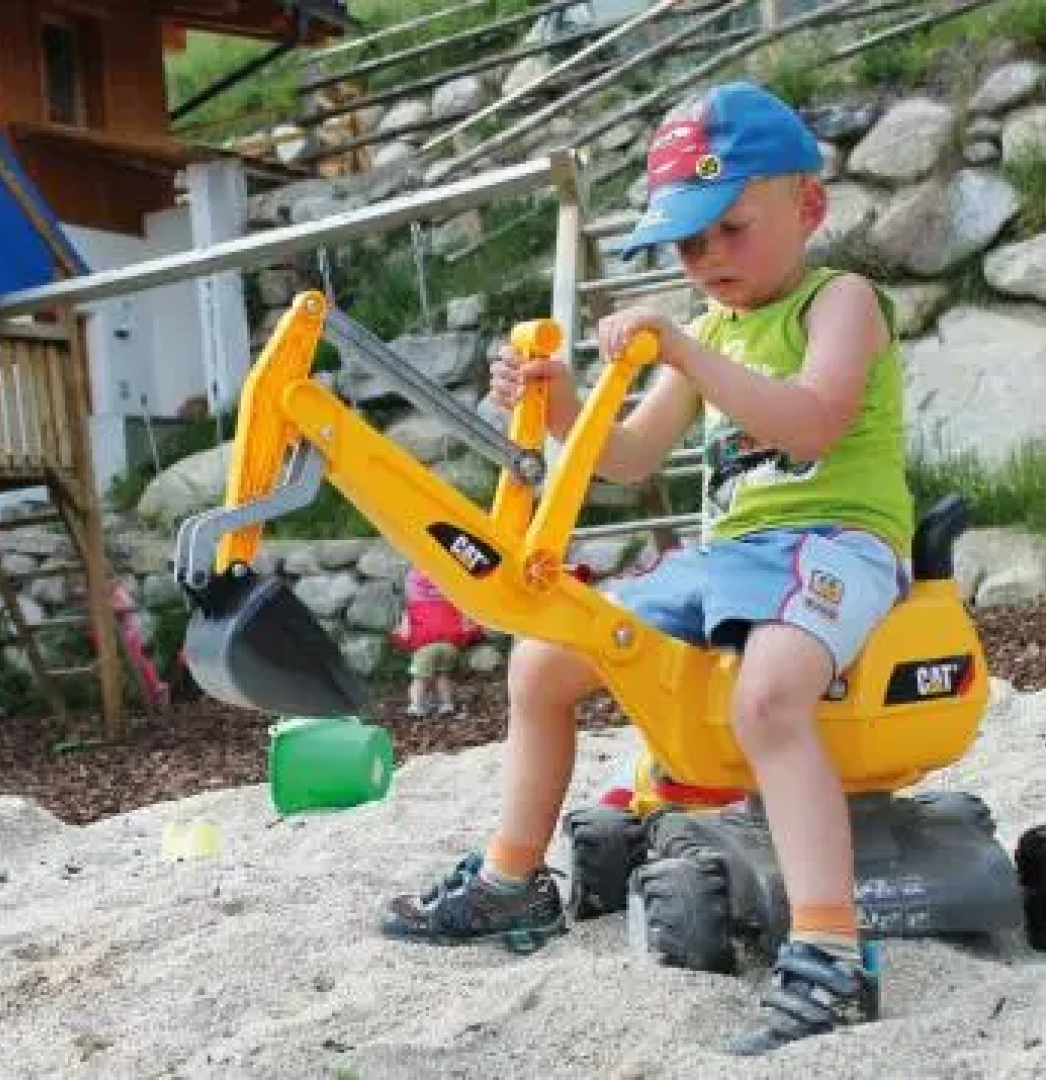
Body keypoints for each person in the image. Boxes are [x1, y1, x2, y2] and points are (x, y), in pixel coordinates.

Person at [379, 81, 911, 1057]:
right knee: (540, 662)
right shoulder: (705, 330)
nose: (703, 260)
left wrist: (681, 349)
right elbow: (623, 460)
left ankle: (831, 956)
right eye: (684, 243)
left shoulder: (840, 302)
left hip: (833, 542)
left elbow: (809, 422)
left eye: (726, 230)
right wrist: (553, 400)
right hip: (727, 558)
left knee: (767, 700)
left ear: (807, 208)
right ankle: (510, 881)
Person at [390, 567, 482, 718]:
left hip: (425, 647)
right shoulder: (455, 604)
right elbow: (467, 626)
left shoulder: (412, 607)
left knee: (419, 679)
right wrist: (473, 634)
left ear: (412, 588)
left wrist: (397, 638)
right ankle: (447, 705)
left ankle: (416, 706)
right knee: (443, 676)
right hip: (449, 647)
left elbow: (405, 633)